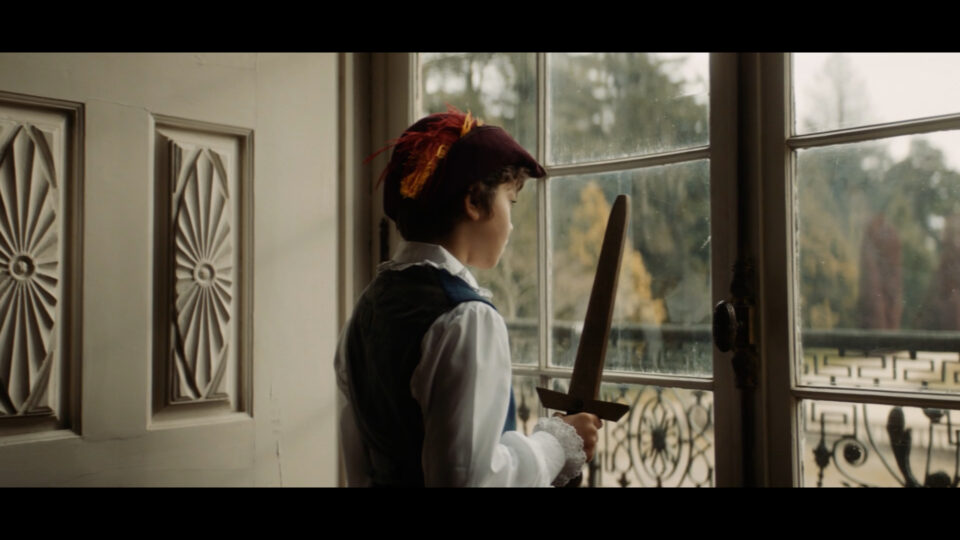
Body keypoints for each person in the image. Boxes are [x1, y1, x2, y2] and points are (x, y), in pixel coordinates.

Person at [335, 106, 601, 487]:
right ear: (474, 201)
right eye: (510, 202)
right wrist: (556, 444)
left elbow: (357, 451)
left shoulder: (367, 307)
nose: (511, 224)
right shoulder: (467, 319)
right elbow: (472, 479)